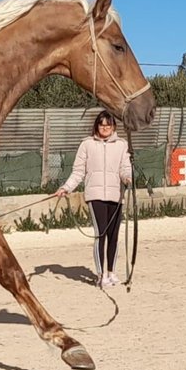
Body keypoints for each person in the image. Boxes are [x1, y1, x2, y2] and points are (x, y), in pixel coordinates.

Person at [53, 111, 133, 288]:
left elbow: (125, 167)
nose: (105, 128)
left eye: (108, 125)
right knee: (100, 234)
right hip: (95, 195)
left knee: (114, 236)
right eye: (102, 124)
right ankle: (101, 274)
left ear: (113, 126)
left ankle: (111, 272)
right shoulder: (87, 144)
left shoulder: (122, 144)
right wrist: (66, 187)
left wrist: (128, 177)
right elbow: (78, 171)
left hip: (116, 195)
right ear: (97, 126)